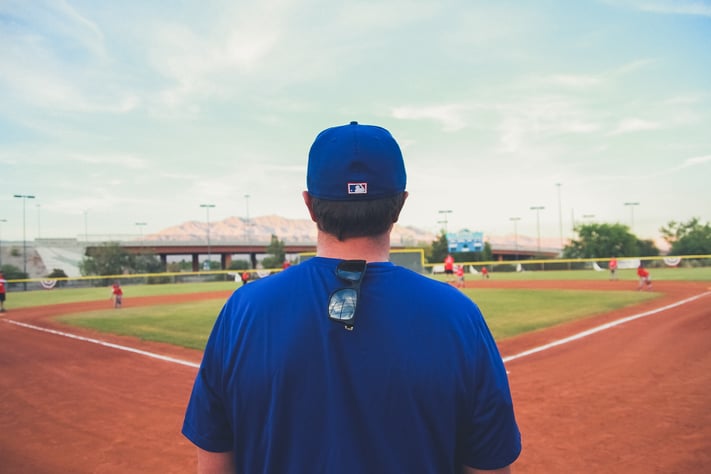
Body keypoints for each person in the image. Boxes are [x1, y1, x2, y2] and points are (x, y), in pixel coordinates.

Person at [182, 121, 521, 473]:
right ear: (400, 206)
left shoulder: (243, 310)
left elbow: (214, 466)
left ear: (310, 205)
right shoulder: (459, 315)